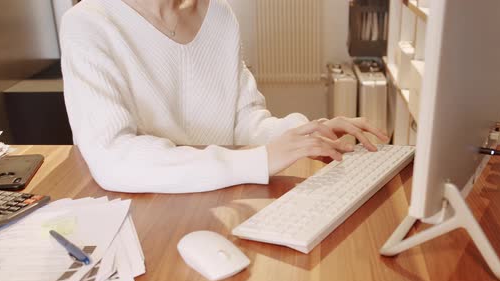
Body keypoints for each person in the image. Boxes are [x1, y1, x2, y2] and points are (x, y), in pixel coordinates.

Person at [60, 0, 388, 193]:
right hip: (148, 211)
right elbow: (114, 159)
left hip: (222, 197)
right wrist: (258, 160)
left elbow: (243, 121)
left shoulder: (218, 12)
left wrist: (303, 135)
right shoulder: (89, 23)